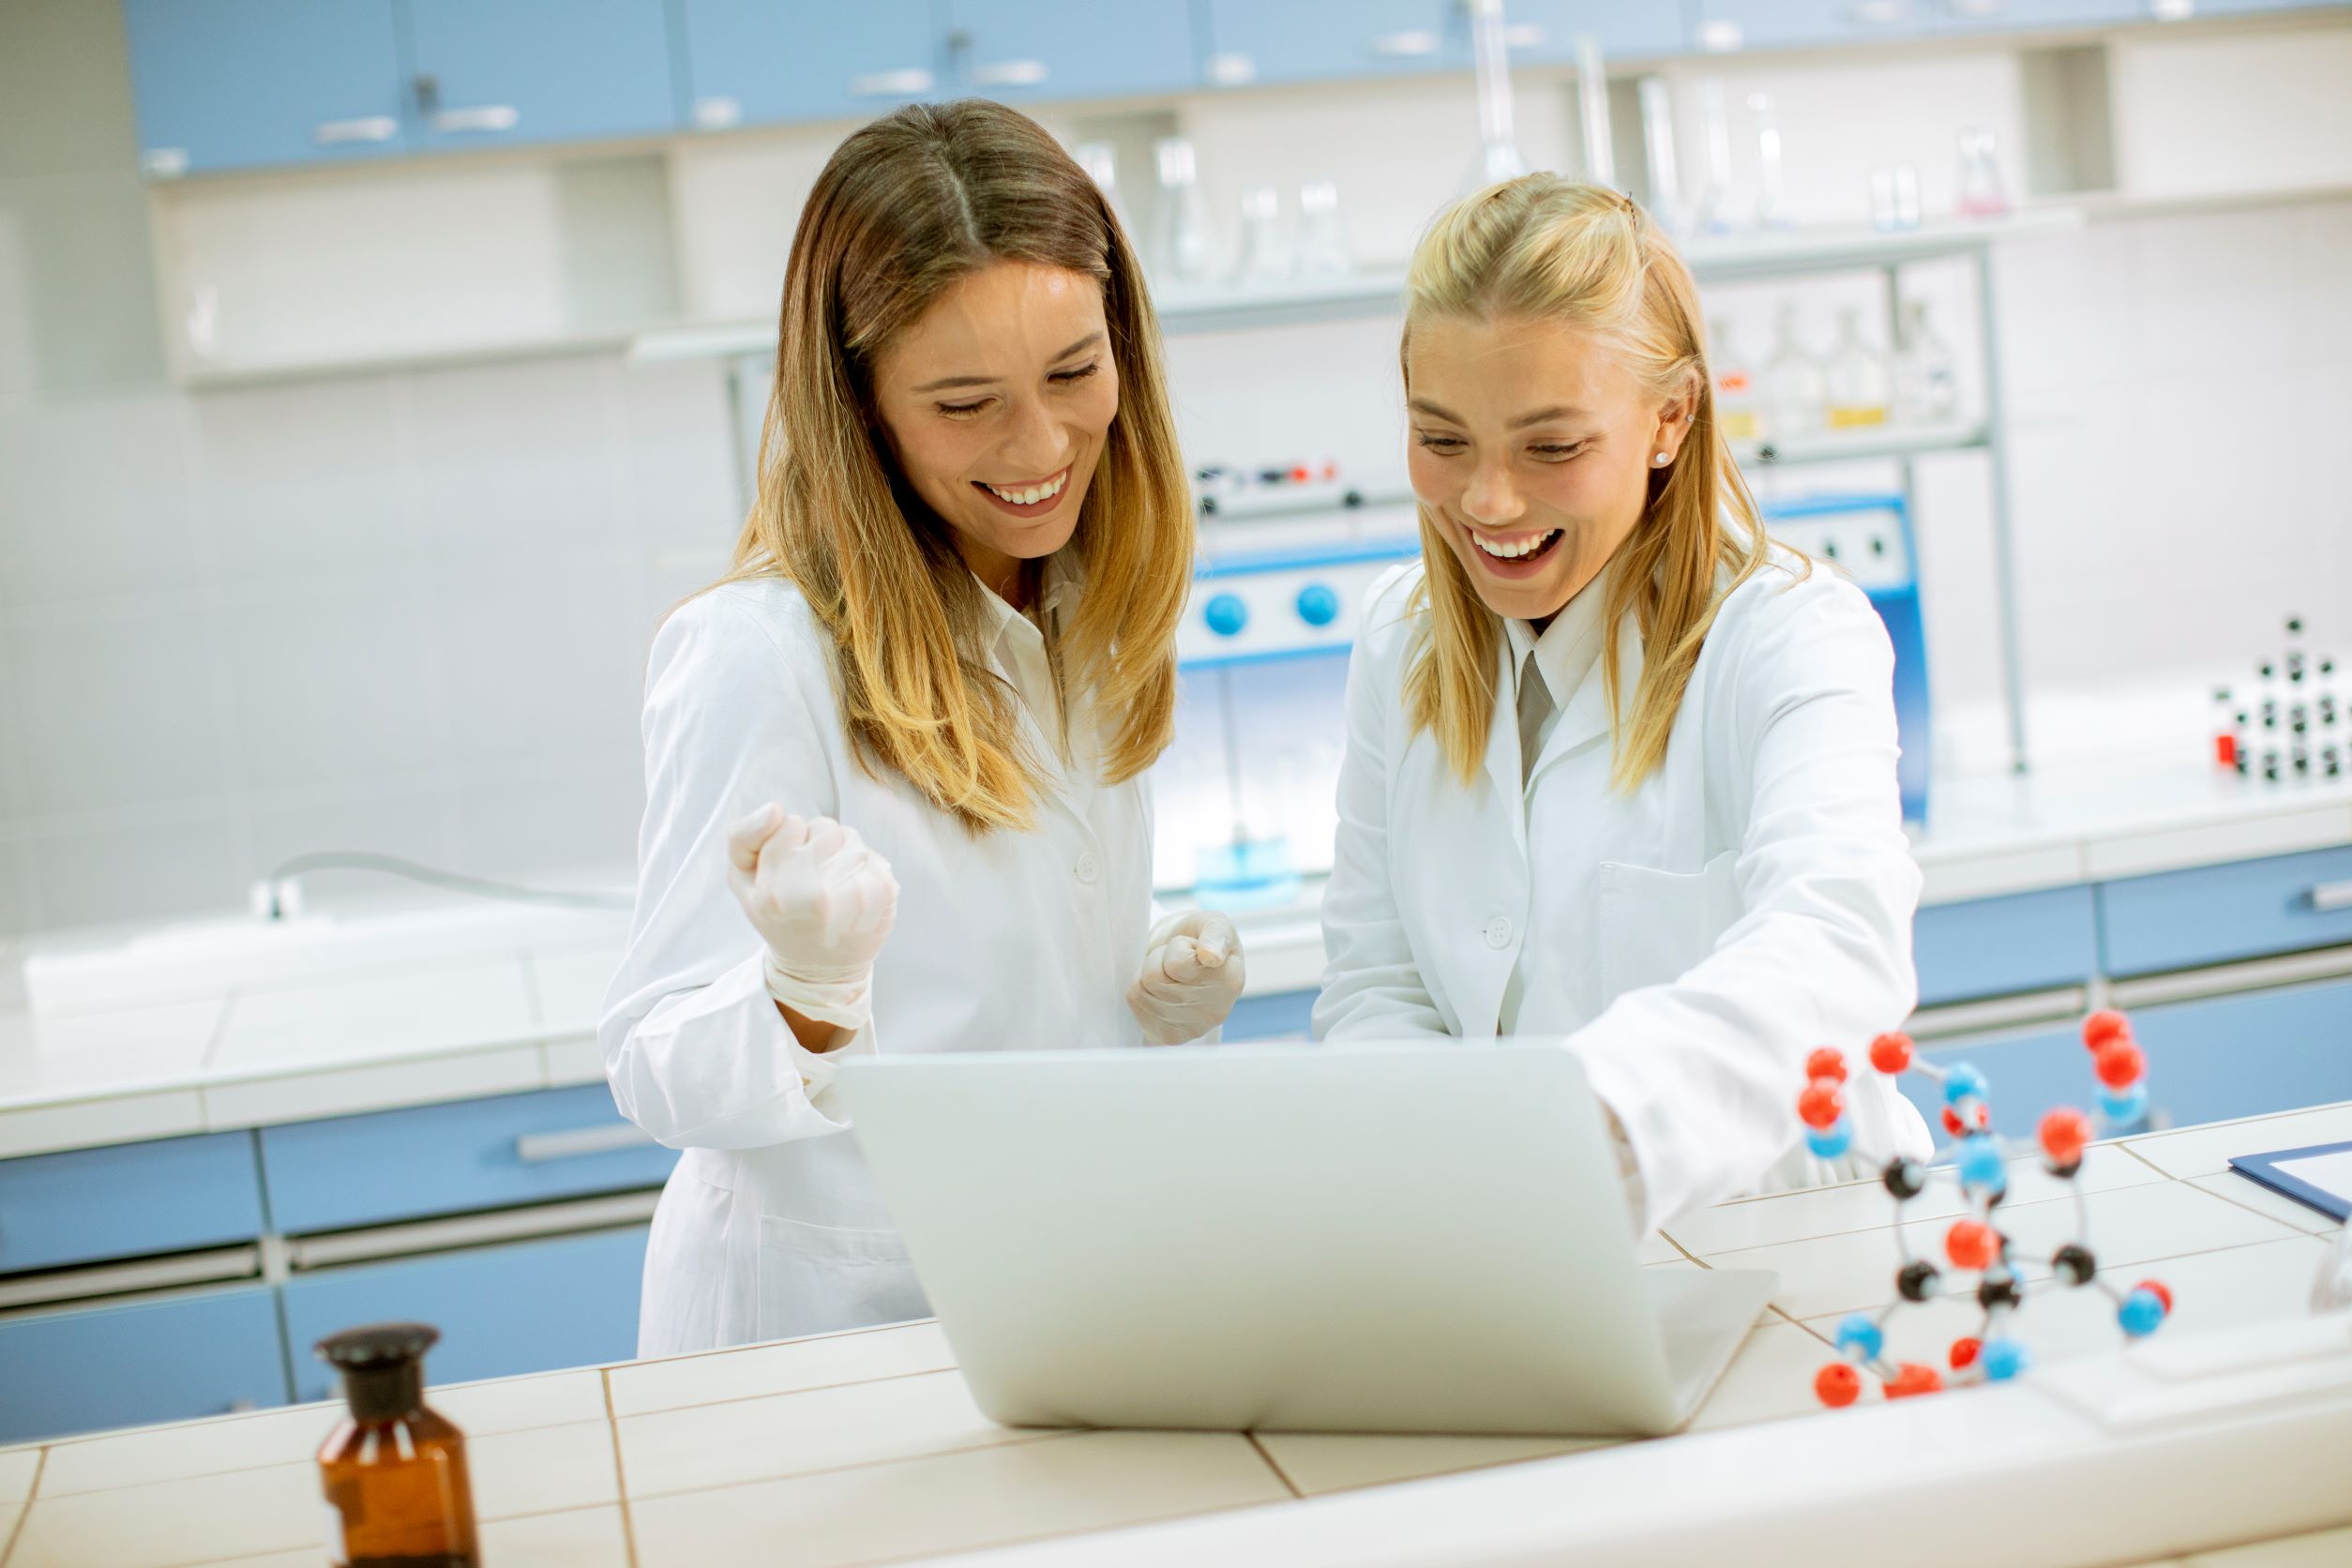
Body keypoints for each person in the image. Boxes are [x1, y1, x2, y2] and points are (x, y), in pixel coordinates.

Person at [601, 100, 1245, 1357]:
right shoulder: (760, 651)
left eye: (1074, 372)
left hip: (1064, 1296)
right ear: (863, 409)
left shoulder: (1084, 608)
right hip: (833, 1330)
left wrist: (1157, 1026)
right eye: (965, 403)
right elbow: (651, 1057)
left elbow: (1002, 1018)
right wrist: (804, 997)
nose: (1042, 443)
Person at [1315, 173, 1931, 1231]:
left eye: (1553, 446)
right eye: (1443, 440)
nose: (1489, 501)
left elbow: (1837, 942)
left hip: (1795, 1252)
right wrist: (1443, 1167)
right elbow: (1380, 986)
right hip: (1517, 1252)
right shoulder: (1399, 636)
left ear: (1670, 417)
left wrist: (1576, 1120)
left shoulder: (1787, 633)